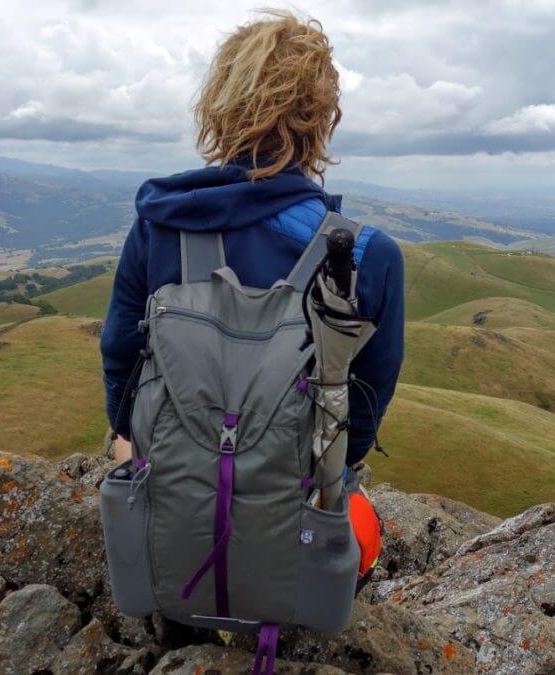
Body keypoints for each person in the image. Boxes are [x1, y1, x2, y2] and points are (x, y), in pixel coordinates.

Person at [100, 10, 401, 579]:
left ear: (220, 106)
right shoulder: (367, 254)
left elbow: (121, 365)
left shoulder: (159, 227)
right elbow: (361, 416)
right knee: (365, 531)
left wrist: (139, 451)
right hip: (298, 529)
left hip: (170, 519)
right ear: (322, 116)